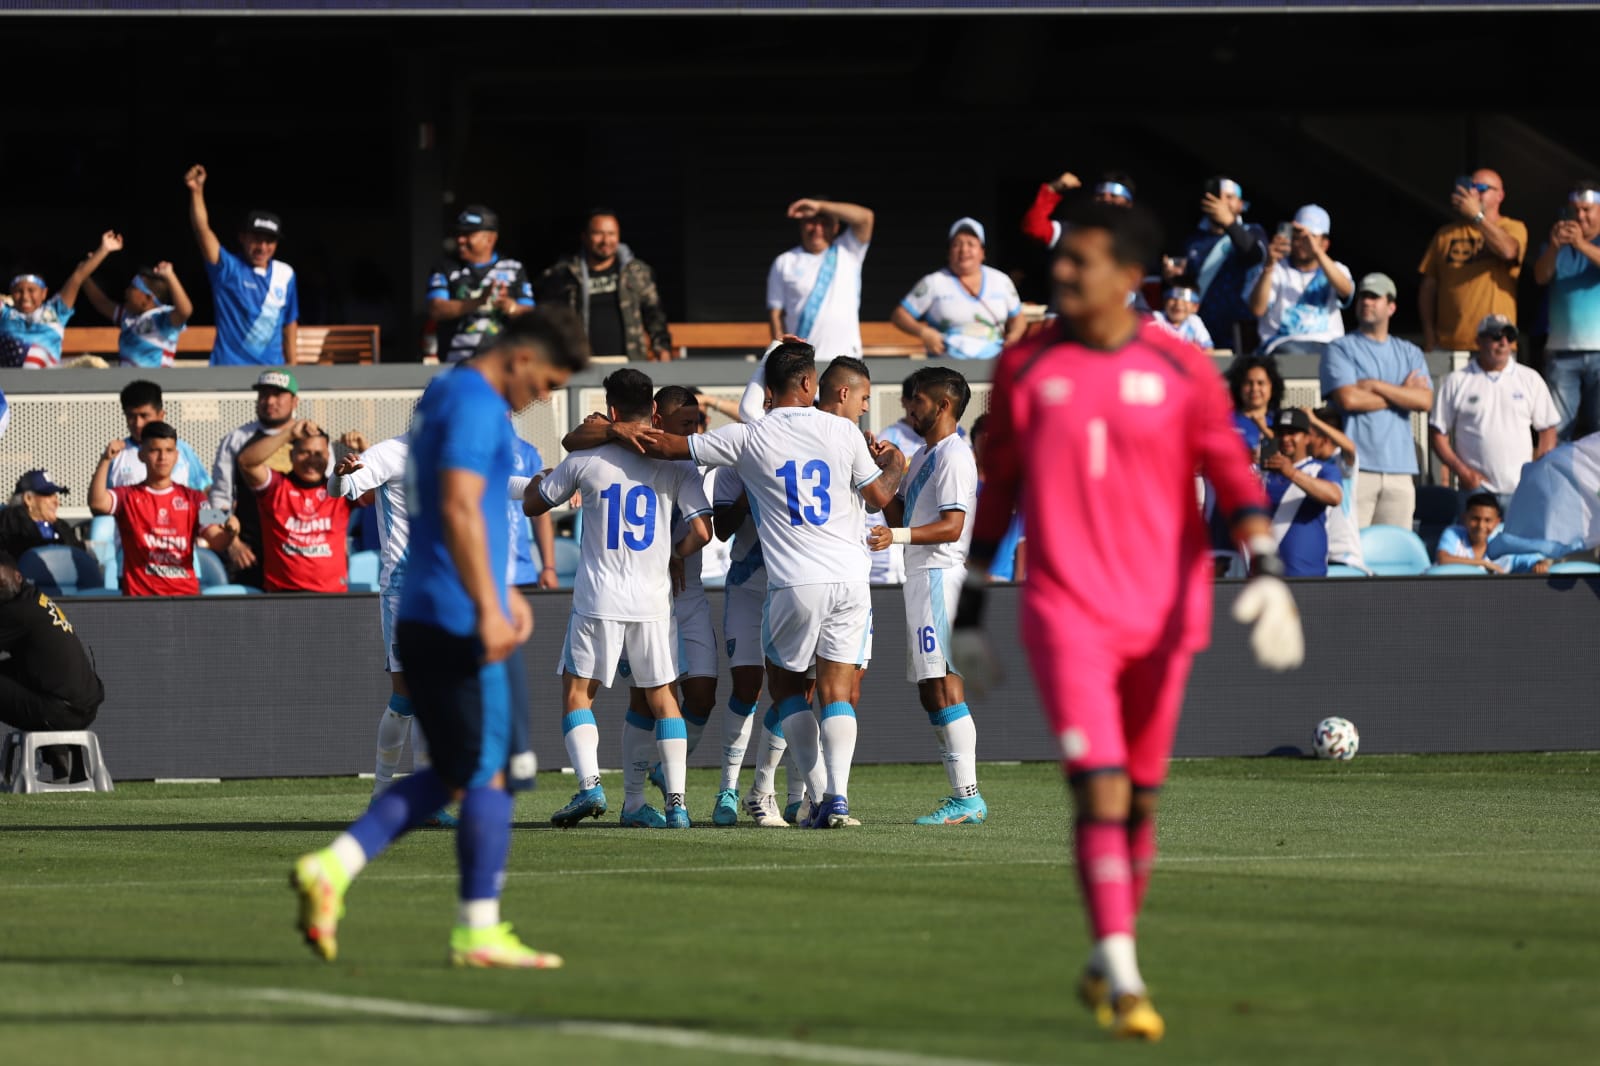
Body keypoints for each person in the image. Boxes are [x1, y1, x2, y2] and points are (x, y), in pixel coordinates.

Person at [954, 199, 1303, 1041]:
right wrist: (971, 609)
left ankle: (1109, 951)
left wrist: (1267, 566)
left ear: (1128, 276)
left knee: (1142, 799)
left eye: (1080, 259)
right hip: (1066, 610)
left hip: (1167, 613)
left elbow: (1229, 464)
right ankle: (1124, 968)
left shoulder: (1180, 368)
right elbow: (998, 489)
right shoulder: (1026, 365)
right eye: (1059, 257)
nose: (1062, 271)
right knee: (1101, 788)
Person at [291, 307, 590, 969]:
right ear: (519, 356)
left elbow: (477, 502)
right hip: (453, 609)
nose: (540, 395)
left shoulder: (452, 401)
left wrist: (502, 591)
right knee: (486, 772)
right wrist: (490, 601)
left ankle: (337, 869)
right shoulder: (472, 402)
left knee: (470, 772)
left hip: (449, 601)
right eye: (544, 379)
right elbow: (456, 504)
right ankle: (474, 929)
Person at [642, 341, 906, 829]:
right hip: (851, 578)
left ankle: (817, 794)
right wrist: (898, 465)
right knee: (837, 691)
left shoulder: (749, 437)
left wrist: (613, 427)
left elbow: (667, 446)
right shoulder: (844, 432)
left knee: (785, 689)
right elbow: (878, 496)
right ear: (808, 383)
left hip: (794, 582)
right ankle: (837, 798)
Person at [524, 368, 712, 830]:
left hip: (597, 599)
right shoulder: (676, 462)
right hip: (653, 601)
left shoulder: (586, 459)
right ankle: (677, 804)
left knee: (576, 693)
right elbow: (704, 531)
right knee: (663, 699)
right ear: (653, 410)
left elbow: (535, 504)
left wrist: (540, 478)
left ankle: (590, 785)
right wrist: (674, 552)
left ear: (610, 412)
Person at [867, 366, 987, 825]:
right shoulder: (924, 454)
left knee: (943, 683)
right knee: (930, 687)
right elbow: (897, 506)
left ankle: (968, 796)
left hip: (940, 576)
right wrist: (892, 465)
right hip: (920, 578)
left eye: (917, 400)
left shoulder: (956, 455)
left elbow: (952, 526)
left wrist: (894, 537)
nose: (909, 407)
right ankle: (963, 795)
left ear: (942, 405)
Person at [1321, 273, 1433, 529]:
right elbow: (1348, 399)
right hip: (1354, 468)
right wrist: (1402, 394)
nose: (1366, 302)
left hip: (1401, 469)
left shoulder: (1410, 352)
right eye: (1362, 296)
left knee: (1395, 556)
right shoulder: (1339, 348)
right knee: (1351, 553)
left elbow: (1425, 401)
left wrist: (1375, 386)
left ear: (1391, 306)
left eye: (1374, 297)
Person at [88, 423, 237, 596]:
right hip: (140, 598)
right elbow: (97, 503)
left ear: (176, 455)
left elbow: (218, 537)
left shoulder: (196, 498)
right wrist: (105, 460)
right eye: (154, 450)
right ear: (141, 455)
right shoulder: (127, 496)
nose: (162, 457)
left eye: (168, 450)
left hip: (185, 597)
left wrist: (231, 530)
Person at [1430, 313, 1559, 508]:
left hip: (1520, 489)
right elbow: (1438, 432)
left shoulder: (1530, 378)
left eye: (1509, 336)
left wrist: (1537, 471)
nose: (1504, 342)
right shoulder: (1457, 380)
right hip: (1476, 489)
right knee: (1474, 540)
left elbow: (1548, 428)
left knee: (1519, 540)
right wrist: (1463, 472)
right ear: (1478, 341)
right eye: (1496, 336)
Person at [0, 550, 105, 783]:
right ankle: (60, 755)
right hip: (82, 703)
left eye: (1, 582)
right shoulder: (33, 597)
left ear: (17, 576)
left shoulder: (17, 611)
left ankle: (57, 751)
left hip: (64, 710)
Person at [184, 165, 298, 366]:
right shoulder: (228, 268)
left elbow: (289, 324)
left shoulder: (285, 274)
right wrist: (196, 191)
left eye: (269, 241)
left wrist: (293, 367)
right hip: (229, 370)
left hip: (272, 374)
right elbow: (202, 230)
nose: (262, 247)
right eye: (256, 239)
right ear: (242, 238)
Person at [535, 208, 673, 362]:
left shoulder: (636, 272)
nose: (606, 241)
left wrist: (662, 349)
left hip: (628, 363)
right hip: (581, 365)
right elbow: (548, 317)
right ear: (585, 237)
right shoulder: (564, 274)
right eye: (598, 233)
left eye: (611, 234)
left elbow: (654, 314)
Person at [209, 369, 303, 589]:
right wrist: (231, 544)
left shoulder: (312, 440)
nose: (269, 401)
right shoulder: (235, 439)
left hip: (298, 553)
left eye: (278, 394)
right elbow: (212, 505)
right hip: (247, 552)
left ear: (295, 401)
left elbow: (328, 500)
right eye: (263, 394)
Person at [238, 419, 355, 593]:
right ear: (291, 455)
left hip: (332, 598)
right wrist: (290, 433)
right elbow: (246, 462)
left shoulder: (340, 490)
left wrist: (366, 449)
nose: (311, 459)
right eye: (304, 452)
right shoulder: (276, 487)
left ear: (328, 457)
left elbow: (383, 487)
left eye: (318, 453)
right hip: (283, 597)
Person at [1418, 169, 1527, 353]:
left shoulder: (1512, 227)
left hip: (1496, 344)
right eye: (1471, 187)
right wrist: (1429, 336)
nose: (1474, 194)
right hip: (1449, 345)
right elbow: (1429, 287)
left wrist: (1477, 217)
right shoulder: (1445, 234)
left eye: (1482, 188)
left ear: (1499, 195)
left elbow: (1508, 251)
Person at [891, 218, 1025, 359]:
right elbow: (899, 315)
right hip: (947, 365)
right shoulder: (934, 281)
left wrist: (1014, 336)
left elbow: (1018, 319)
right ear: (949, 252)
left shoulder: (1001, 280)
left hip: (993, 361)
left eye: (971, 244)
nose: (964, 250)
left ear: (982, 252)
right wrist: (924, 332)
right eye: (957, 244)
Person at [766, 197, 874, 360]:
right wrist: (784, 357)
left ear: (836, 227)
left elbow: (865, 218)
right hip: (802, 362)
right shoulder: (784, 262)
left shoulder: (849, 251)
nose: (817, 228)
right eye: (811, 222)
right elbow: (776, 315)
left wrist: (819, 206)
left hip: (846, 361)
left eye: (824, 222)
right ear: (801, 225)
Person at [1533, 181, 1600, 442]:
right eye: (1575, 210)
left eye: (1587, 209)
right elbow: (1540, 276)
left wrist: (1581, 244)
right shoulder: (1557, 246)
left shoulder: (1588, 244)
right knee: (1558, 430)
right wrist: (1554, 247)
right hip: (1561, 352)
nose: (1580, 216)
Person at [426, 205, 535, 364]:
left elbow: (532, 315)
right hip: (456, 366)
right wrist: (479, 301)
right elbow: (436, 309)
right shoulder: (444, 268)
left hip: (502, 368)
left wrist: (510, 307)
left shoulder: (514, 269)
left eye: (468, 234)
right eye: (459, 234)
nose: (460, 240)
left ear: (490, 239)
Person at [1172, 176, 1267, 355]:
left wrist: (1229, 223)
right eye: (1218, 197)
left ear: (1241, 204)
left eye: (1229, 197)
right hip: (1199, 329)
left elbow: (1255, 255)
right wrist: (1174, 277)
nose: (1222, 203)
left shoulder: (1253, 231)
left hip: (1238, 329)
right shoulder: (1193, 240)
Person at [1, 231, 124, 369]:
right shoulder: (4, 313)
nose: (25, 296)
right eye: (18, 291)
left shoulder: (55, 310)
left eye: (31, 290)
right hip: (10, 384)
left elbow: (77, 278)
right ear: (11, 292)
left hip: (46, 383)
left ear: (44, 293)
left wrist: (104, 249)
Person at [1245, 204, 1354, 356]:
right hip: (1283, 344)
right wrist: (1269, 266)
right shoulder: (1274, 269)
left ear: (1325, 244)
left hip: (1329, 346)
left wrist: (1317, 252)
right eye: (1298, 236)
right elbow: (1257, 309)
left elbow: (1346, 290)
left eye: (1311, 237)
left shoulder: (1336, 268)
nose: (1303, 242)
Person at [1261, 409, 1342, 578]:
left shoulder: (1322, 469)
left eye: (1292, 433)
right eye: (1280, 433)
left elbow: (1334, 496)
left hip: (1308, 576)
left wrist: (1291, 473)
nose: (1285, 439)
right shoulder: (1262, 473)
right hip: (1265, 576)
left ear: (1307, 437)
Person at [80, 261, 193, 368]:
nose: (126, 291)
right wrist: (83, 273)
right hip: (129, 383)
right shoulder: (127, 317)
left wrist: (170, 276)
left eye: (132, 287)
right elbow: (101, 303)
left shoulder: (163, 317)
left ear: (148, 298)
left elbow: (185, 311)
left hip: (155, 384)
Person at [105, 380, 211, 492]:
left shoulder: (182, 449)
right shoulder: (116, 454)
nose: (138, 423)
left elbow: (204, 490)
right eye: (131, 416)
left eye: (144, 416)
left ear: (161, 415)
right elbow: (102, 502)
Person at [1305, 407, 1365, 572]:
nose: (1306, 441)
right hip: (1316, 557)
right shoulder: (1308, 465)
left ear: (1325, 439)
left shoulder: (1341, 462)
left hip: (1343, 557)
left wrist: (1315, 421)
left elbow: (1350, 448)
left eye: (1309, 435)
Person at [1021, 169, 1138, 250]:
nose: (1106, 199)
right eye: (1100, 195)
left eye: (1113, 196)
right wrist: (1052, 190)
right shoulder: (1074, 232)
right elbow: (1034, 229)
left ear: (1129, 204)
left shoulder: (1140, 239)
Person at [1436, 492, 1549, 574]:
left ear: (1497, 522)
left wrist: (1540, 564)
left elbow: (1534, 561)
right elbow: (1443, 559)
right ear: (1465, 518)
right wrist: (1483, 563)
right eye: (1475, 518)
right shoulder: (1453, 533)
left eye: (1487, 520)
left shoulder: (1505, 545)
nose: (1481, 526)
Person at [506, 424, 559, 589]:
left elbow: (540, 512)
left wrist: (548, 567)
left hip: (520, 574)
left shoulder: (526, 452)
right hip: (474, 574)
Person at [0, 471, 85, 560]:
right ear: (28, 499)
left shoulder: (61, 526)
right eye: (48, 495)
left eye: (55, 496)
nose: (56, 502)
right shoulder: (10, 526)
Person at [1223, 354, 1283, 453]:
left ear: (1272, 386)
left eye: (1261, 383)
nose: (1254, 389)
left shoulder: (1281, 420)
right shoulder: (1225, 420)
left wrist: (1265, 430)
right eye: (1248, 383)